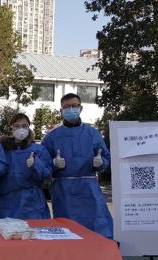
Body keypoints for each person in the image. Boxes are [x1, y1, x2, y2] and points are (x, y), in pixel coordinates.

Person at [42, 93, 113, 238]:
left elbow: (105, 157)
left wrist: (101, 163)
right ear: (61, 110)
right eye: (66, 107)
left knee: (97, 229)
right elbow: (42, 165)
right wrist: (53, 164)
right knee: (67, 232)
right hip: (63, 191)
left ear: (81, 108)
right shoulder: (51, 137)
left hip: (89, 189)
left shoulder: (92, 133)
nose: (71, 109)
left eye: (74, 106)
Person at [0, 113, 52, 219]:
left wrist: (36, 164)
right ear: (11, 127)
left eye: (24, 126)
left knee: (35, 229)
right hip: (8, 202)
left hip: (33, 202)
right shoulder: (3, 150)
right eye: (17, 126)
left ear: (29, 127)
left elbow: (47, 175)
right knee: (11, 229)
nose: (20, 129)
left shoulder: (38, 150)